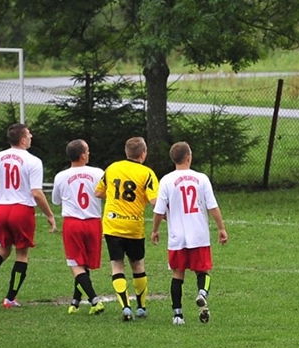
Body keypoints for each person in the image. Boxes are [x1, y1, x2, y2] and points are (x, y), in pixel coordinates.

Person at [0, 123, 57, 308]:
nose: (32, 136)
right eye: (29, 134)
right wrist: (49, 215)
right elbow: (36, 193)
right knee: (22, 254)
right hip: (22, 210)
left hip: (2, 210)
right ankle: (9, 299)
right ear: (23, 139)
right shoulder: (33, 161)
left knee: (2, 250)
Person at [151, 142, 228, 325]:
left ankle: (178, 315)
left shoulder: (167, 180)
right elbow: (212, 206)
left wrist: (154, 230)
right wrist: (221, 228)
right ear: (189, 157)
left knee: (177, 274)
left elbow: (159, 211)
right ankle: (202, 293)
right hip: (199, 235)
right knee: (203, 271)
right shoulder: (201, 178)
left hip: (178, 237)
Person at [95, 136, 159, 322]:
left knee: (117, 265)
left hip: (112, 224)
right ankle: (141, 307)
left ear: (126, 152)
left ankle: (125, 307)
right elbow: (155, 200)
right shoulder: (146, 173)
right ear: (143, 154)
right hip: (133, 225)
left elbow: (98, 192)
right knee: (137, 265)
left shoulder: (112, 168)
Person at [51, 139, 107, 315]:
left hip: (73, 223)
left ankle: (94, 300)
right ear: (82, 155)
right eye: (88, 150)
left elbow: (55, 200)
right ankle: (75, 301)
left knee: (75, 264)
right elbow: (106, 194)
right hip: (93, 222)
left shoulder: (61, 176)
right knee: (83, 264)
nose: (89, 153)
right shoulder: (98, 173)